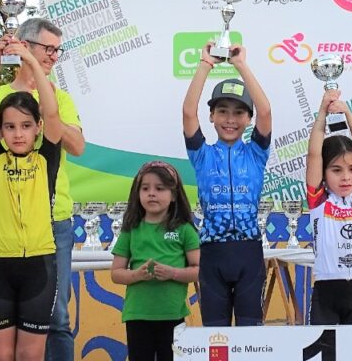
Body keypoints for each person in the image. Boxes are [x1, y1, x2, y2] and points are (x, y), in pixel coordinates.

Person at [0, 18, 86, 361]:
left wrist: (45, 114)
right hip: (0, 227)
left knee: (59, 318)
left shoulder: (58, 99)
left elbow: (77, 145)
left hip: (54, 220)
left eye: (56, 50)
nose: (53, 56)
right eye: (46, 49)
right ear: (23, 45)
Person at [181, 42, 272, 326]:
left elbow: (266, 111)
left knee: (250, 334)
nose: (230, 119)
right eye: (222, 111)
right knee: (215, 336)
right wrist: (205, 64)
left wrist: (241, 65)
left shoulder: (255, 152)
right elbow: (187, 113)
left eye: (238, 112)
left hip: (248, 252)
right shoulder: (202, 154)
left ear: (248, 118)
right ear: (212, 116)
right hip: (212, 253)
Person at [110, 161, 200, 361]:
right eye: (145, 188)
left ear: (174, 195)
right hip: (137, 315)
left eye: (160, 188)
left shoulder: (185, 229)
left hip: (173, 316)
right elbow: (116, 273)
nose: (152, 193)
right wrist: (137, 275)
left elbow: (199, 270)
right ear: (137, 193)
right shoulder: (130, 229)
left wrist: (173, 273)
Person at [304, 89, 352, 325]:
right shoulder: (319, 201)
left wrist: (348, 114)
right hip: (326, 288)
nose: (346, 177)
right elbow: (314, 154)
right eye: (336, 170)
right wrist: (323, 111)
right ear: (323, 173)